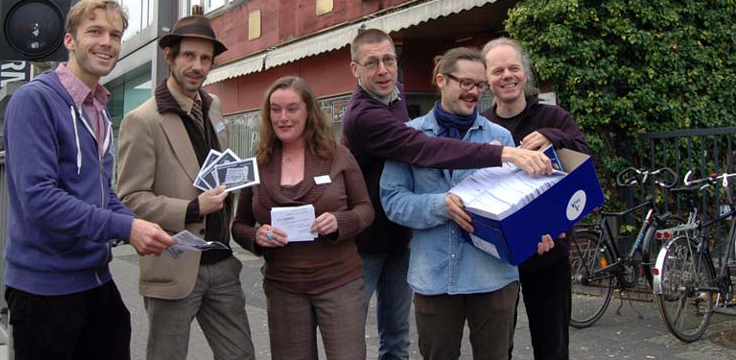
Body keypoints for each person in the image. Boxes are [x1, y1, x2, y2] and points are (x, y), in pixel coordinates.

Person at [341, 29, 553, 360]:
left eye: (480, 85)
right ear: (441, 81)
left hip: (493, 279)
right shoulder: (407, 132)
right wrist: (440, 205)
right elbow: (394, 201)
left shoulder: (499, 136)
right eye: (465, 83)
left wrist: (537, 232)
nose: (474, 92)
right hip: (433, 279)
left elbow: (522, 204)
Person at [2, 0, 175, 360]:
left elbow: (101, 195)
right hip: (43, 289)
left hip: (94, 278)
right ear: (70, 40)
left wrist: (140, 225)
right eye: (94, 31)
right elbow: (39, 199)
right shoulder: (34, 102)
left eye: (114, 34)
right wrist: (126, 229)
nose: (106, 42)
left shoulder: (98, 107)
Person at [117, 15, 255, 360]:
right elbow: (130, 199)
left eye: (205, 59)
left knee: (240, 355)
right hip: (173, 265)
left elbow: (215, 167)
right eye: (188, 56)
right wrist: (191, 209)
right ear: (169, 57)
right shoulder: (142, 121)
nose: (197, 66)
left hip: (221, 261)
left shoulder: (213, 106)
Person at [232, 76, 374, 360]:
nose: (282, 118)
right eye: (275, 109)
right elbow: (239, 225)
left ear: (308, 111)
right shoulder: (258, 163)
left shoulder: (337, 155)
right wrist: (255, 237)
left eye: (292, 109)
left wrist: (339, 221)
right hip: (283, 286)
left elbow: (365, 209)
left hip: (339, 282)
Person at [482, 37, 590, 360]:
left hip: (549, 252)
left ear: (525, 75)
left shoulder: (553, 117)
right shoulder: (482, 126)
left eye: (513, 67)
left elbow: (585, 157)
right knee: (498, 348)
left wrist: (553, 137)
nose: (507, 75)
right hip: (499, 259)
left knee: (552, 346)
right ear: (487, 79)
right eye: (497, 70)